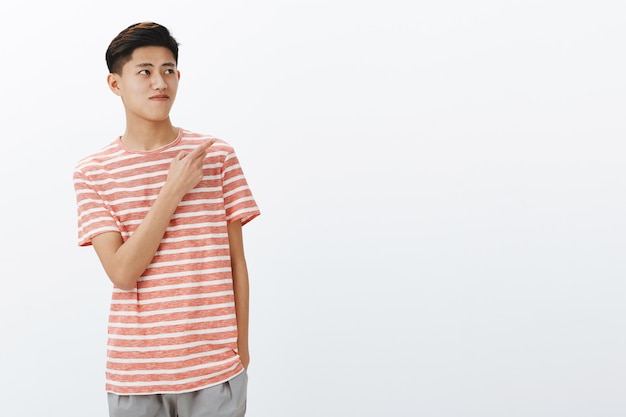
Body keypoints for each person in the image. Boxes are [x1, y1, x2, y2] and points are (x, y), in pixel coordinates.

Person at [73, 22, 260, 417]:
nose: (160, 82)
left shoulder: (216, 156)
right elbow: (123, 272)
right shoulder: (93, 172)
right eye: (145, 71)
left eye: (169, 70)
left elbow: (236, 262)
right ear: (115, 83)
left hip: (216, 370)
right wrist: (173, 189)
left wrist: (241, 350)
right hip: (136, 375)